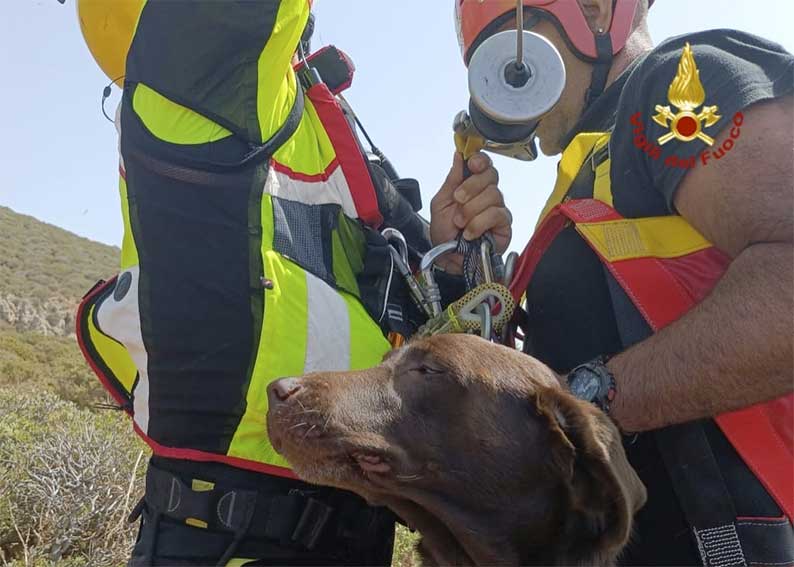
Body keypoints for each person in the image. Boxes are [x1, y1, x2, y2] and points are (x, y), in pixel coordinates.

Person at [74, 1, 511, 565]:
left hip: (352, 529)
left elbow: (399, 337)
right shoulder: (197, 76)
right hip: (231, 538)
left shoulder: (324, 142)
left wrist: (449, 261)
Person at [455, 0, 793, 565]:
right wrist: (464, 263)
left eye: (506, 47)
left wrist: (588, 398)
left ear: (590, 14)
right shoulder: (584, 175)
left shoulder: (674, 86)